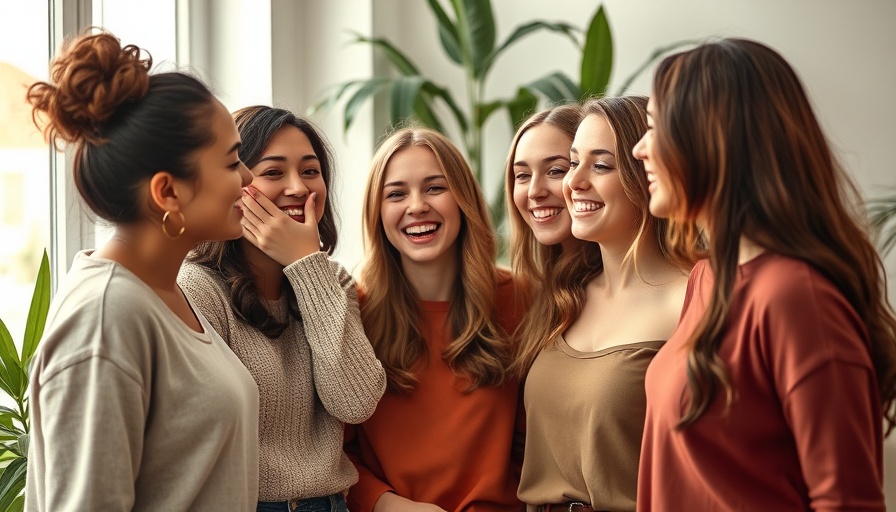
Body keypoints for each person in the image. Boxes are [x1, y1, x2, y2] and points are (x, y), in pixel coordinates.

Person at [633, 38, 896, 511]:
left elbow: (847, 501)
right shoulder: (706, 281)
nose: (639, 149)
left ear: (712, 139)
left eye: (655, 128)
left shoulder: (796, 297)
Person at [24, 30, 259, 510]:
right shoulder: (107, 318)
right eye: (233, 162)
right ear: (167, 193)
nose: (249, 178)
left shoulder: (163, 293)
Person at [177, 105, 386, 512]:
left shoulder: (332, 281)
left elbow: (355, 402)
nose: (298, 187)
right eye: (273, 172)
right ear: (233, 182)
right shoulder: (196, 287)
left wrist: (305, 266)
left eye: (310, 171)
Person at [512, 97, 691, 512]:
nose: (573, 183)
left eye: (602, 165)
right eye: (573, 163)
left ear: (648, 174)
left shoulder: (692, 300)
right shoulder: (561, 298)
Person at [345, 127, 523, 512]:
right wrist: (387, 505)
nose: (417, 206)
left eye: (435, 188)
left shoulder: (521, 299)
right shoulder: (351, 313)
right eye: (396, 194)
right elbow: (330, 453)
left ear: (463, 199)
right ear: (377, 213)